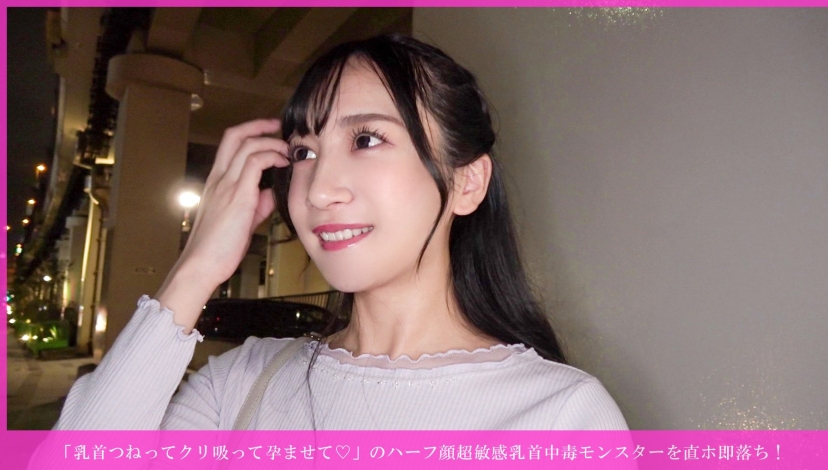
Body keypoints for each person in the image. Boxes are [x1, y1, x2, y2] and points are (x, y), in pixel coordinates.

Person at [54, 33, 628, 430]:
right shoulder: (241, 382)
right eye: (304, 151)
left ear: (467, 182)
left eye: (367, 139)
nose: (319, 189)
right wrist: (195, 268)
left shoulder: (557, 415)